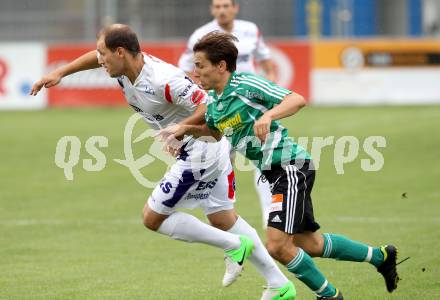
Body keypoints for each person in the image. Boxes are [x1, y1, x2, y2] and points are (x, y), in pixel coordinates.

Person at [30, 24, 296, 300]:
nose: (99, 60)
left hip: (200, 150)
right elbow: (93, 56)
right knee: (223, 218)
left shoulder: (163, 80)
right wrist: (59, 72)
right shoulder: (122, 69)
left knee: (153, 217)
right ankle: (279, 285)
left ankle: (233, 245)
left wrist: (179, 129)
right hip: (202, 148)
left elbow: (209, 105)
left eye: (103, 54)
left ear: (120, 52)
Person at [158, 32, 400, 300]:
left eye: (200, 65)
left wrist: (269, 114)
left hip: (290, 166)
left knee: (277, 246)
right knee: (309, 243)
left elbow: (296, 99)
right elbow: (214, 133)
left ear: (221, 66)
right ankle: (380, 256)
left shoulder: (246, 84)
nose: (195, 71)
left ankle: (330, 296)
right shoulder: (215, 102)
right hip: (274, 174)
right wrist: (183, 131)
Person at [179, 0, 275, 227]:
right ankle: (231, 224)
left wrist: (266, 95)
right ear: (212, 10)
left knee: (266, 162)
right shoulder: (200, 36)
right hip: (222, 109)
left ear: (235, 8)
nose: (221, 10)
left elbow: (268, 65)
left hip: (251, 109)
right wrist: (206, 94)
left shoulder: (251, 30)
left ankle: (270, 219)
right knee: (222, 167)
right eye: (217, 6)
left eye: (226, 5)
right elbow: (185, 70)